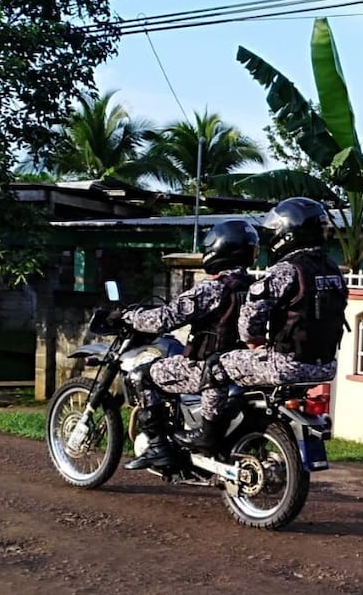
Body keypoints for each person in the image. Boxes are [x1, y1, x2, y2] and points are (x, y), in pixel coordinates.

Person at [191, 197, 349, 447]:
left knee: (216, 366)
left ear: (289, 230)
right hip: (325, 366)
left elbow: (250, 319)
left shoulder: (286, 270)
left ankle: (207, 435)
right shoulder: (332, 270)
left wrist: (255, 342)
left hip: (287, 363)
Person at [120, 218, 259, 470]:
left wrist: (127, 316)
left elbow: (164, 319)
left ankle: (158, 448)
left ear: (219, 250)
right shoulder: (256, 287)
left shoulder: (212, 289)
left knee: (142, 376)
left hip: (205, 367)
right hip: (242, 368)